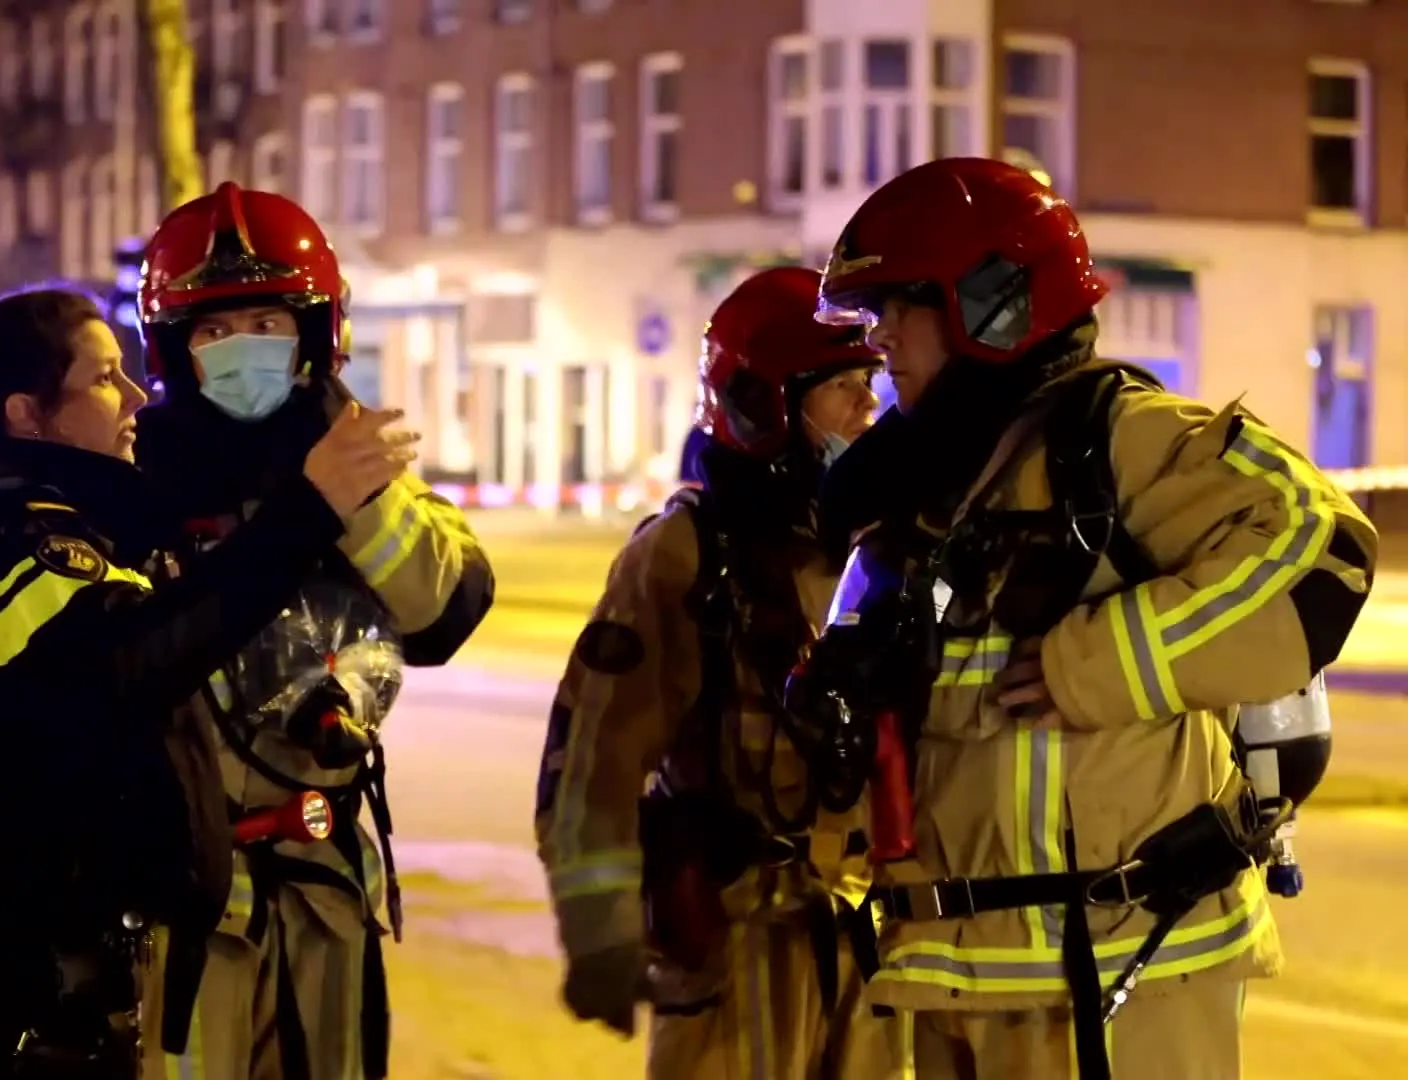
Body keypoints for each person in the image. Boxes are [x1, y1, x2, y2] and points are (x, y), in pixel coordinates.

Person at [798, 157, 1376, 1080]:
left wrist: (1109, 662)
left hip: (1121, 978)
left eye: (901, 308)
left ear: (992, 306)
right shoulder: (929, 486)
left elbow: (1319, 540)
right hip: (961, 976)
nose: (882, 342)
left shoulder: (1116, 437)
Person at [0, 287, 411, 1078]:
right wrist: (309, 509)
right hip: (13, 980)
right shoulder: (13, 542)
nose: (137, 395)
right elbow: (137, 660)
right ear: (27, 415)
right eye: (106, 379)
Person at [129, 181, 494, 1080]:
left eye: (264, 320)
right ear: (175, 350)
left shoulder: (360, 459)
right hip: (186, 899)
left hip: (325, 882)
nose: (240, 348)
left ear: (315, 334)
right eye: (213, 331)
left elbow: (441, 613)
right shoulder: (134, 485)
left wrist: (355, 492)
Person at [536, 266, 893, 1080]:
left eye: (869, 381)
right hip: (734, 942)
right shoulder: (684, 557)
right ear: (764, 406)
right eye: (841, 388)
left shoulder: (878, 547)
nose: (865, 409)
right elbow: (595, 754)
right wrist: (601, 929)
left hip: (871, 938)